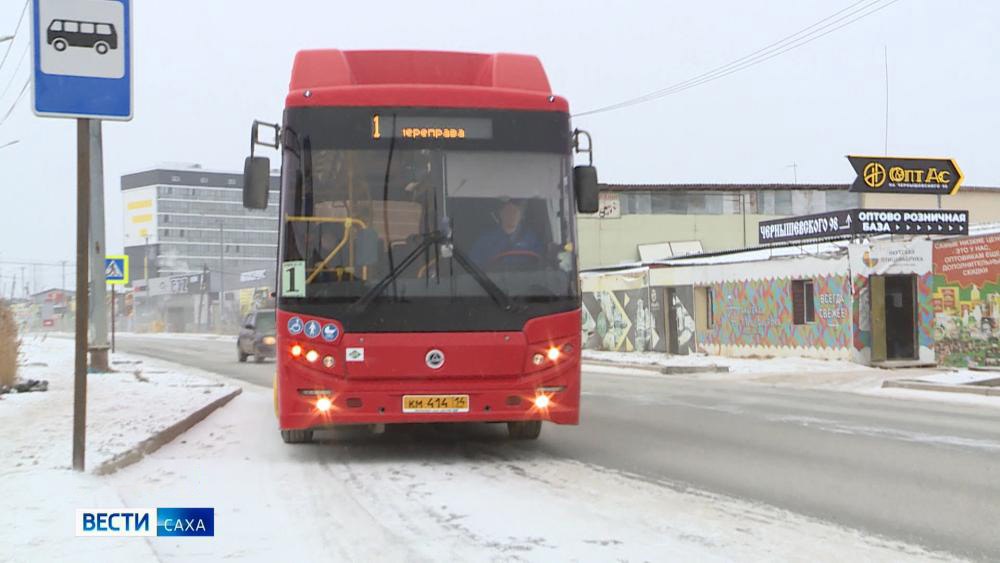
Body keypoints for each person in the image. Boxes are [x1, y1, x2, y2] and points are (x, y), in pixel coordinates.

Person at [470, 199, 543, 268]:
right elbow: (473, 267)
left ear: (520, 216)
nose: (512, 215)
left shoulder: (531, 238)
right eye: (508, 211)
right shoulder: (485, 240)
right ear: (501, 214)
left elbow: (541, 263)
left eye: (515, 212)